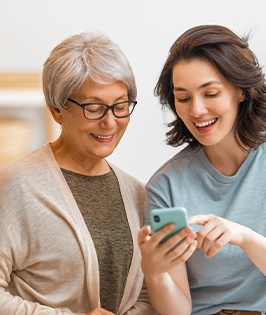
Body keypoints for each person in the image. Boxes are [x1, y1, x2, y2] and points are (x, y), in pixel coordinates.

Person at [138, 24, 266, 315]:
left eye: (210, 93)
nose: (196, 110)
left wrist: (243, 237)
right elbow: (178, 310)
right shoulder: (165, 185)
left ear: (241, 91)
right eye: (183, 98)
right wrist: (155, 271)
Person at [0, 32, 156, 315]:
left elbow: (145, 292)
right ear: (57, 110)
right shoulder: (16, 184)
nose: (110, 122)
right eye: (94, 108)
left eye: (120, 106)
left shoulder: (138, 193)